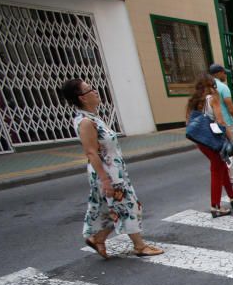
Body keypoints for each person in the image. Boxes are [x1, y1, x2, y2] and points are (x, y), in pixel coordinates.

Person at [61, 78, 163, 259]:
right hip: (108, 175)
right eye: (89, 90)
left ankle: (97, 239)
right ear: (82, 98)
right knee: (128, 207)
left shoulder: (92, 117)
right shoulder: (85, 122)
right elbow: (91, 153)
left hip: (114, 172)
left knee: (111, 209)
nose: (95, 92)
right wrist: (106, 180)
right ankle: (139, 246)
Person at [185, 75, 233, 217]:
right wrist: (230, 139)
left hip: (202, 141)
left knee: (222, 167)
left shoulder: (193, 102)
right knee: (217, 170)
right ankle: (215, 206)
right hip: (213, 140)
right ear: (210, 86)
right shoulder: (213, 99)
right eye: (213, 86)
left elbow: (188, 123)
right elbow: (221, 121)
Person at [209, 63, 233, 184]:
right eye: (224, 72)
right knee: (232, 148)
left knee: (222, 149)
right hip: (226, 123)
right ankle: (231, 176)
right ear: (218, 73)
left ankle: (229, 174)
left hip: (212, 124)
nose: (225, 75)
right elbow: (231, 108)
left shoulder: (206, 88)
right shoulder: (223, 87)